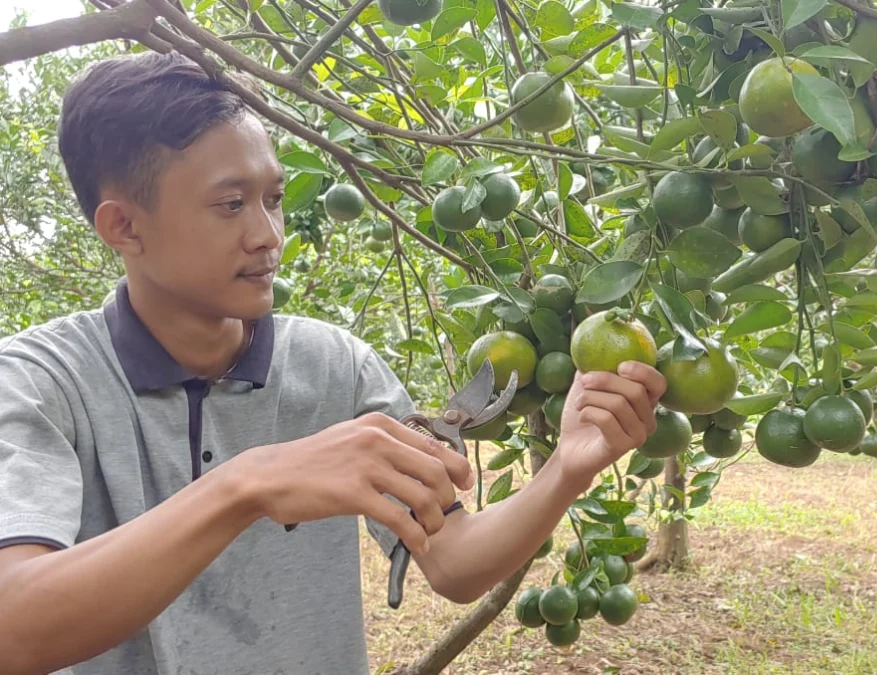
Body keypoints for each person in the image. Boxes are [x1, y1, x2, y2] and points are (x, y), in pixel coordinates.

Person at [0, 50, 665, 675]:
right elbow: (13, 627)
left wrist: (566, 470)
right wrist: (247, 483)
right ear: (124, 227)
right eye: (231, 204)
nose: (268, 235)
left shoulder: (333, 365)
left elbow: (453, 563)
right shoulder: (39, 383)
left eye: (274, 198)